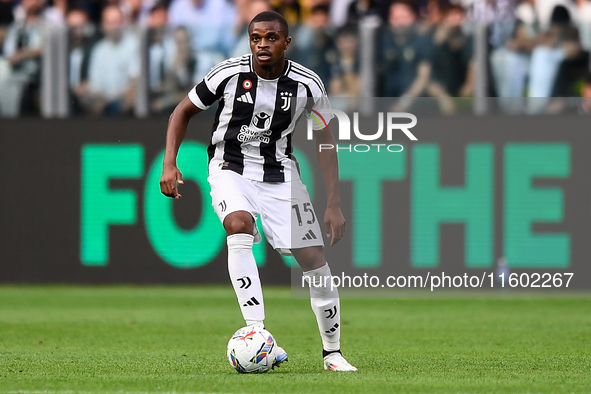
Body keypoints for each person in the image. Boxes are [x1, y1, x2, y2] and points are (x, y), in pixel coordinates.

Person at [159, 10, 357, 372]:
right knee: (238, 224)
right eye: (256, 38)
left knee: (314, 259)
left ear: (287, 43)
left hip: (280, 174)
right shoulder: (228, 73)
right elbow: (181, 112)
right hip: (229, 167)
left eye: (270, 38)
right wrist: (169, 162)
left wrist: (334, 203)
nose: (262, 45)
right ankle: (257, 333)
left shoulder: (308, 84)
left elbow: (326, 139)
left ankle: (332, 353)